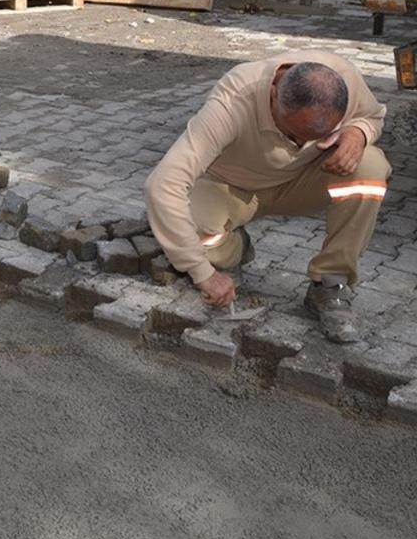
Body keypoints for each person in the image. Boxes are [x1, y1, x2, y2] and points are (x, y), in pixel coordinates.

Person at [144, 51, 390, 342]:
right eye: (293, 134)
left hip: (302, 183)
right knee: (188, 233)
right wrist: (203, 273)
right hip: (232, 186)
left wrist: (358, 133)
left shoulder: (342, 78)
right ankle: (235, 249)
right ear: (274, 94)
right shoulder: (234, 100)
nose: (300, 144)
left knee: (371, 166)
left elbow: (372, 117)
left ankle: (329, 284)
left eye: (313, 138)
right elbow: (163, 184)